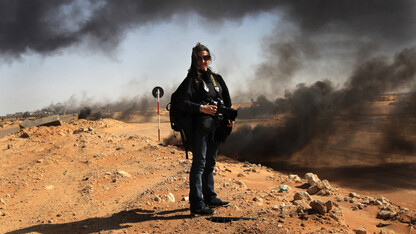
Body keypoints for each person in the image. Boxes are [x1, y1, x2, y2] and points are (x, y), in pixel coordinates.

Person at [176, 43, 235, 215]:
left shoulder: (216, 79)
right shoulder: (191, 80)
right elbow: (181, 102)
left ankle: (210, 197)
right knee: (199, 164)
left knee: (210, 163)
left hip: (216, 128)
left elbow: (226, 102)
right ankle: (196, 204)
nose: (203, 61)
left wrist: (228, 118)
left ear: (210, 59)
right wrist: (201, 108)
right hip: (199, 130)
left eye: (206, 57)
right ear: (194, 60)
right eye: (199, 58)